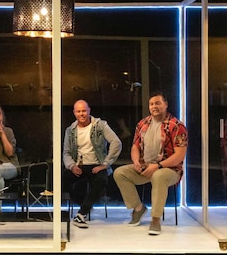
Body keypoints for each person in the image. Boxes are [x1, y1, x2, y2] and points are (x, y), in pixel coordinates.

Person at [113, 91, 188, 236]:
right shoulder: (142, 124)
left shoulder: (176, 125)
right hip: (146, 167)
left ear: (165, 105)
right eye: (152, 104)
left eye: (158, 103)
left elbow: (180, 155)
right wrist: (135, 161)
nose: (154, 106)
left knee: (159, 176)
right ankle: (138, 208)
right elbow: (135, 146)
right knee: (120, 173)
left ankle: (156, 219)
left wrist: (158, 166)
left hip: (169, 169)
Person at [62, 99, 122, 228]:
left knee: (101, 179)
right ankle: (85, 206)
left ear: (89, 111)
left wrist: (106, 164)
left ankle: (82, 213)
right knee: (63, 179)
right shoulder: (70, 130)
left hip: (96, 164)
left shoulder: (100, 125)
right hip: (78, 165)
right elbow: (66, 153)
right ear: (74, 113)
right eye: (78, 111)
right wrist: (72, 166)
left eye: (84, 110)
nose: (81, 114)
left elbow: (116, 142)